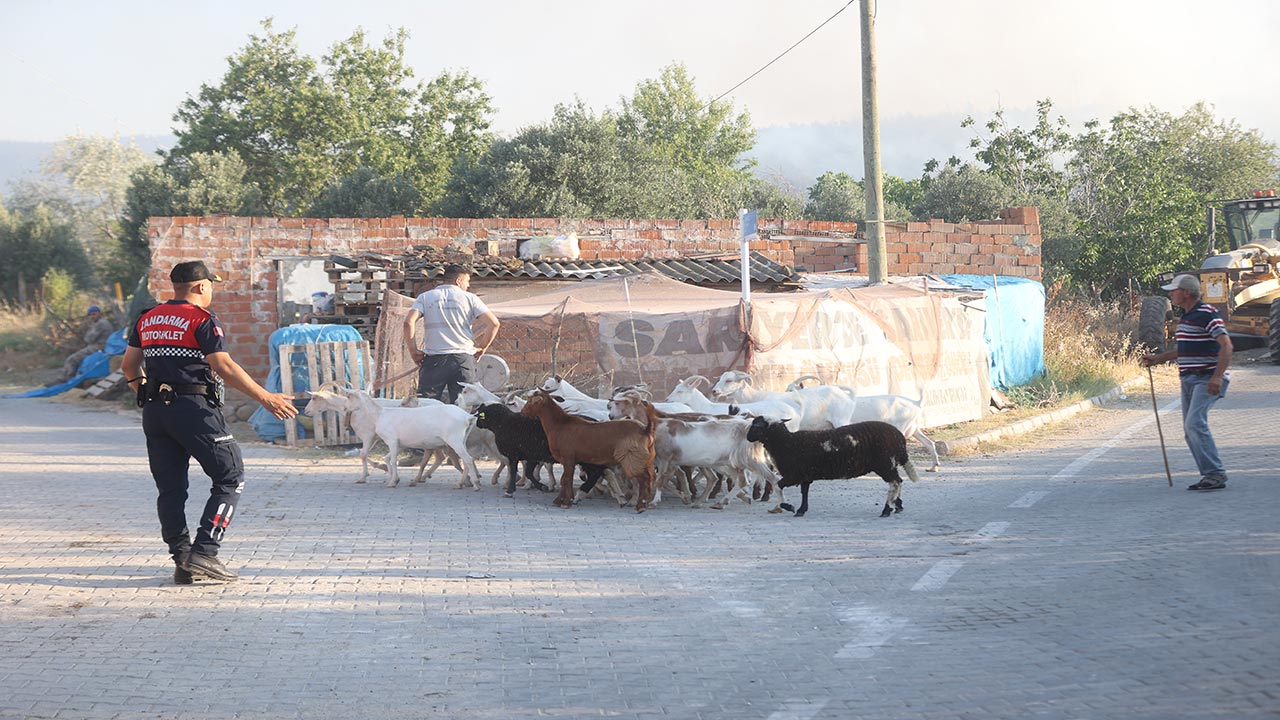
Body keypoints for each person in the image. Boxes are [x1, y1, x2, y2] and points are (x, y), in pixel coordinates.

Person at [121, 261, 297, 585]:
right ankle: (205, 551)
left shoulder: (147, 318)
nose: (212, 290)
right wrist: (265, 398)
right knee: (231, 475)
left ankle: (182, 559)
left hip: (155, 413)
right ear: (201, 286)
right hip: (193, 409)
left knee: (170, 489)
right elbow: (223, 365)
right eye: (211, 285)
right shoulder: (201, 319)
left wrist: (150, 394)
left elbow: (129, 365)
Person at [1140, 274, 1233, 491]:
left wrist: (1217, 376)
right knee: (1190, 429)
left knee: (1194, 424)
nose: (1170, 294)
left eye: (1174, 290)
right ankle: (1210, 475)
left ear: (1187, 292)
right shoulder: (1187, 317)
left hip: (1206, 378)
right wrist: (1158, 359)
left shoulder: (1207, 314)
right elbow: (1186, 348)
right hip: (1189, 379)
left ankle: (1215, 474)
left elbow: (1227, 346)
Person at [403, 263, 500, 403]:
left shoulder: (425, 297)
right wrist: (482, 348)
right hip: (463, 360)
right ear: (458, 281)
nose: (468, 286)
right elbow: (494, 323)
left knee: (426, 405)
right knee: (465, 406)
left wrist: (413, 351)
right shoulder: (470, 298)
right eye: (467, 281)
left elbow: (408, 322)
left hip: (434, 360)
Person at [54, 305, 115, 383]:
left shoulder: (100, 324)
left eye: (94, 314)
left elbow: (88, 339)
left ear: (99, 313)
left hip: (99, 347)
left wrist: (88, 332)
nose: (92, 316)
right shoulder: (104, 322)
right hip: (103, 346)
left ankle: (65, 379)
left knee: (72, 359)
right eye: (90, 315)